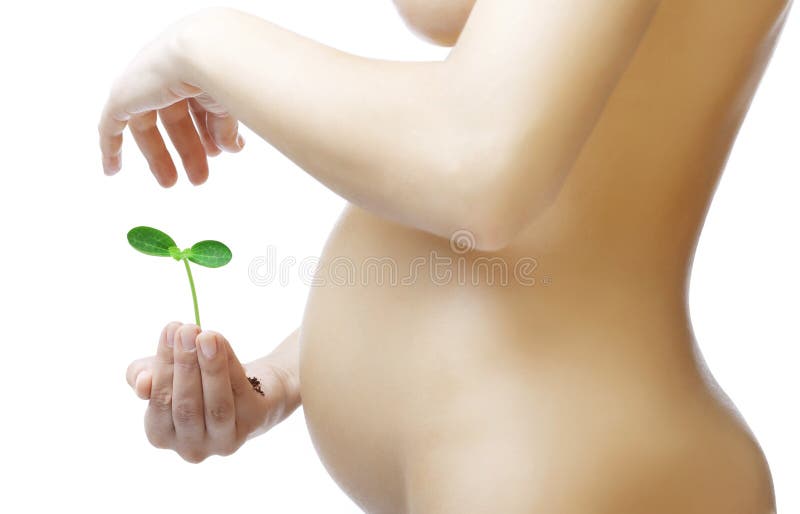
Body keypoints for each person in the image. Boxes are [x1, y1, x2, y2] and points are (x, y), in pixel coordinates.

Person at [105, 1, 792, 512]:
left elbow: (477, 162)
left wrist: (204, 47)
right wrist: (282, 376)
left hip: (567, 464)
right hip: (544, 448)